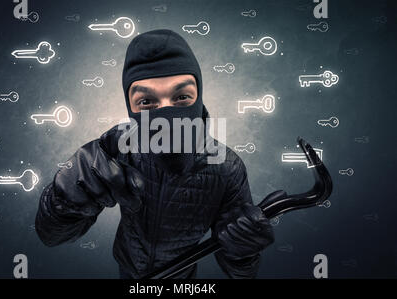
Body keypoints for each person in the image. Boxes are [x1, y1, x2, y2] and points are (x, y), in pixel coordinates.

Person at [35, 29, 277, 279]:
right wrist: (64, 201)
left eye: (182, 97)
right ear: (130, 107)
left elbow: (242, 274)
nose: (166, 116)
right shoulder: (119, 146)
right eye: (147, 102)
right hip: (128, 271)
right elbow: (51, 236)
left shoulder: (227, 167)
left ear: (199, 96)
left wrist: (243, 252)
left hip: (183, 278)